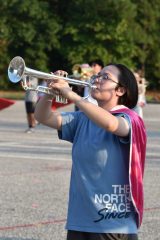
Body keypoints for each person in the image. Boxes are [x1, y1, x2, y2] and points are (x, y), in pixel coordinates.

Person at [35, 63, 147, 240]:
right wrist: (50, 92)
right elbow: (43, 117)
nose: (96, 79)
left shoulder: (131, 118)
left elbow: (111, 124)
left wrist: (71, 94)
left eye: (105, 77)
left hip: (113, 221)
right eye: (97, 75)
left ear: (120, 90)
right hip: (80, 220)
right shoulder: (82, 119)